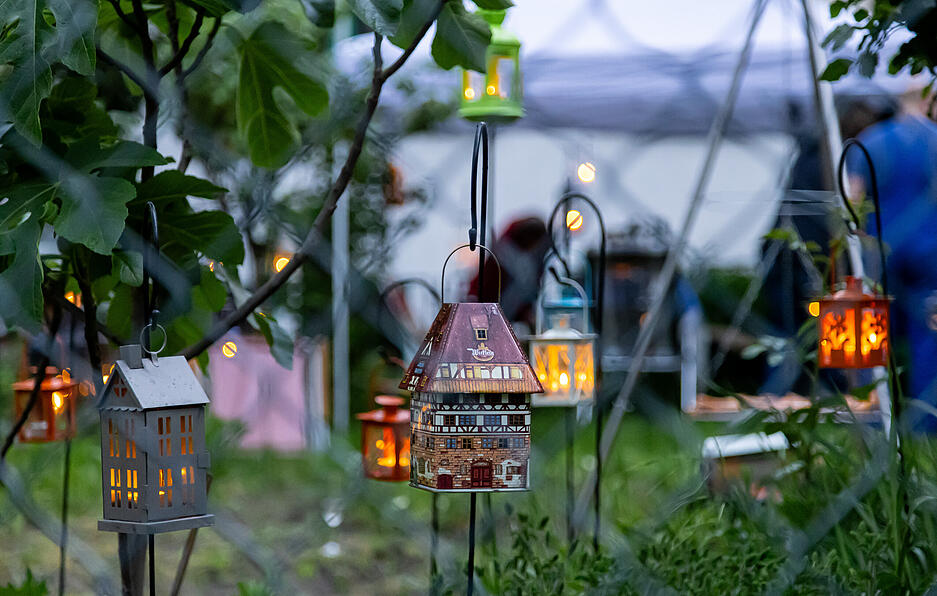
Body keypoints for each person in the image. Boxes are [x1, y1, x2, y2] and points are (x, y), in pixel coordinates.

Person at [848, 85, 937, 431]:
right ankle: (926, 428)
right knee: (929, 341)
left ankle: (871, 423)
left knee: (871, 341)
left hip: (880, 255)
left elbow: (853, 198)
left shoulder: (871, 140)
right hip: (930, 257)